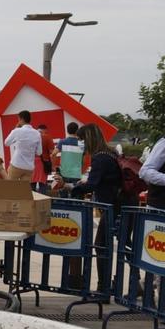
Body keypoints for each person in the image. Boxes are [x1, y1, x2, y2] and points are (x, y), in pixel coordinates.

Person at [66, 123, 127, 294]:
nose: (80, 144)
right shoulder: (111, 153)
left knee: (101, 245)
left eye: (81, 140)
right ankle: (110, 286)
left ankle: (103, 289)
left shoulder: (100, 157)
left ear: (88, 139)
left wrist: (71, 187)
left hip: (111, 207)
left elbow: (92, 184)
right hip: (121, 204)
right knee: (112, 246)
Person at [4, 110, 41, 182]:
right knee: (24, 190)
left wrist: (15, 129)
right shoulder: (37, 133)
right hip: (29, 167)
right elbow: (39, 152)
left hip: (16, 164)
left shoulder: (17, 131)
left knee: (10, 188)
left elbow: (6, 143)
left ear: (22, 119)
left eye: (18, 119)